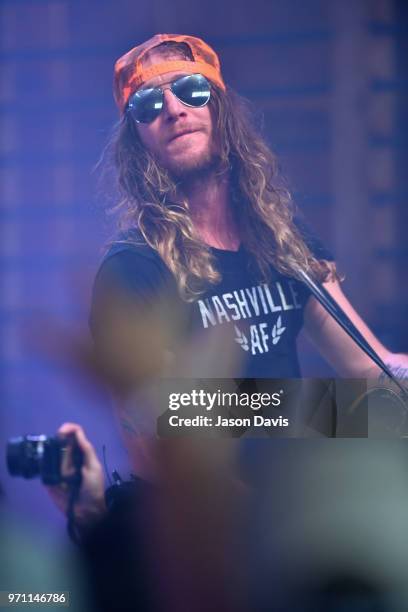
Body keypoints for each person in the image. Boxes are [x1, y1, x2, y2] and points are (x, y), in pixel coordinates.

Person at [49, 32, 408, 533]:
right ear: (136, 141)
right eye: (150, 104)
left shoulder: (282, 240)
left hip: (301, 511)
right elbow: (161, 441)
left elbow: (372, 371)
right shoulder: (132, 267)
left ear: (219, 109)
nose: (174, 109)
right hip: (214, 535)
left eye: (192, 90)